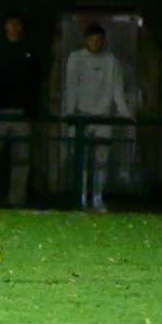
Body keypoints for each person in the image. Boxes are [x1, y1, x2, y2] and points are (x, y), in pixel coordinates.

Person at [61, 23, 132, 212]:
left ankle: (98, 197)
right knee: (82, 161)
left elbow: (118, 90)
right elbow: (71, 87)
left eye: (98, 40)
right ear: (86, 40)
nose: (95, 43)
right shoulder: (75, 59)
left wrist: (125, 113)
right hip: (81, 116)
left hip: (102, 117)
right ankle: (83, 197)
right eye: (92, 39)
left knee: (101, 160)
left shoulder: (111, 61)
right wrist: (70, 113)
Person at [0, 13, 39, 207]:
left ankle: (17, 202)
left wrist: (31, 111)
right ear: (5, 26)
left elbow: (34, 84)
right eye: (10, 22)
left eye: (17, 23)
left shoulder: (28, 51)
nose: (13, 26)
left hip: (21, 115)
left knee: (21, 162)